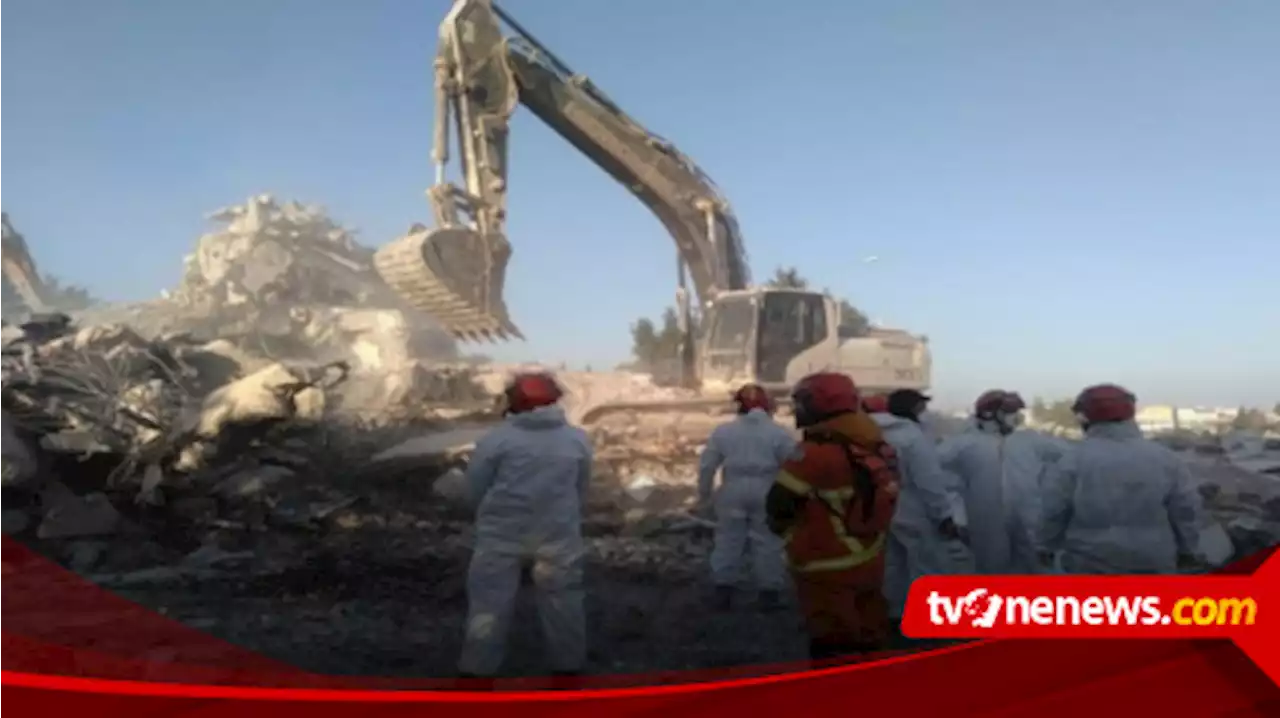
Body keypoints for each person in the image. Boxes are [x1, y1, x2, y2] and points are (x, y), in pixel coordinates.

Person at [456, 372, 594, 679]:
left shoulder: (497, 439)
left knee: (489, 604)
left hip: (501, 534)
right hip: (557, 535)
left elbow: (476, 487)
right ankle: (568, 670)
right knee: (563, 601)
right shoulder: (576, 438)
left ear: (514, 401)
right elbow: (581, 488)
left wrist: (488, 516)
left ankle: (477, 674)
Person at [765, 372, 901, 660]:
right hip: (869, 555)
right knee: (870, 632)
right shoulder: (875, 444)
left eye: (802, 402)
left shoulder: (814, 453)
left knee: (832, 644)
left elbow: (778, 505)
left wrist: (791, 536)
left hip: (824, 564)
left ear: (820, 404)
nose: (797, 409)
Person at [1039, 384, 1205, 574]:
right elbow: (1186, 509)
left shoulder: (1072, 460)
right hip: (1153, 559)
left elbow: (1053, 510)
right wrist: (1188, 549)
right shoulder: (1166, 459)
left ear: (1085, 417)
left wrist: (1045, 545)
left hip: (1090, 562)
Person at [871, 389, 971, 629]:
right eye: (921, 407)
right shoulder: (913, 437)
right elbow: (929, 481)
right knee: (928, 565)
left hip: (881, 509)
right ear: (914, 409)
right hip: (914, 511)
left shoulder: (871, 433)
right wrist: (943, 515)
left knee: (893, 565)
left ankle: (895, 616)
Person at [697, 383, 798, 610]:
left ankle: (723, 590)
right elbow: (794, 465)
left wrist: (703, 495)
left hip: (732, 488)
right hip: (767, 488)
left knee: (728, 539)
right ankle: (769, 594)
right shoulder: (779, 432)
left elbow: (707, 466)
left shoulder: (723, 431)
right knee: (768, 540)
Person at [937, 389, 1050, 574]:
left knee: (1030, 572)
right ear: (991, 414)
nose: (1016, 418)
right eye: (1010, 413)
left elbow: (1067, 462)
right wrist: (955, 513)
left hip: (1027, 521)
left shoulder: (1027, 441)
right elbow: (936, 479)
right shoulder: (962, 444)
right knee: (991, 571)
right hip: (985, 521)